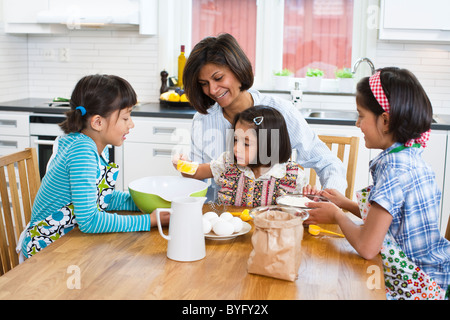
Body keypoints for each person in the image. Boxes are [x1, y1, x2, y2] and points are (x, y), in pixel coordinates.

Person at [306, 67, 450, 300]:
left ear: (385, 121)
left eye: (361, 115)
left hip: (416, 287)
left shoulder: (393, 169)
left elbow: (367, 247)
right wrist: (345, 203)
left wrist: (337, 216)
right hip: (434, 277)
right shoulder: (409, 156)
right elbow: (392, 221)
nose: (357, 123)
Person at [18, 74, 170, 260]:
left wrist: (149, 203)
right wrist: (149, 220)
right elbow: (89, 221)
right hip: (47, 248)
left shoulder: (96, 147)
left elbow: (101, 198)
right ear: (98, 123)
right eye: (125, 118)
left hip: (71, 240)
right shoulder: (82, 151)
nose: (131, 124)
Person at [183, 33, 346, 201]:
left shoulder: (279, 111)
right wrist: (184, 167)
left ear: (237, 69)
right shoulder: (203, 120)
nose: (212, 90)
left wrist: (328, 202)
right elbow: (198, 182)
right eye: (204, 84)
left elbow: (327, 162)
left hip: (273, 216)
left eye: (218, 78)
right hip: (226, 216)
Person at [174, 106, 310, 207]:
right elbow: (196, 172)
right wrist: (183, 164)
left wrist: (309, 199)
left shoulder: (292, 176)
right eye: (235, 140)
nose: (235, 149)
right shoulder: (228, 164)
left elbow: (298, 214)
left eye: (245, 144)